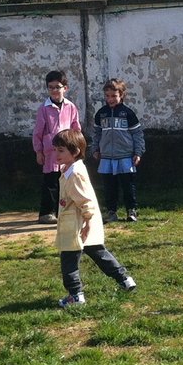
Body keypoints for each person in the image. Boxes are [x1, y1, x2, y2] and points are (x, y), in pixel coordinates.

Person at [52, 128, 137, 307]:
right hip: (79, 223)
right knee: (99, 253)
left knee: (69, 262)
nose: (56, 154)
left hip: (77, 225)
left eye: (61, 150)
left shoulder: (74, 173)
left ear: (75, 152)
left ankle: (75, 295)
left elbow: (86, 200)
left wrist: (88, 223)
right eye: (55, 150)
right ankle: (125, 280)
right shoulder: (69, 169)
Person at [92, 77, 146, 223]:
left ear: (121, 95)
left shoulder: (128, 114)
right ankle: (111, 212)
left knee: (128, 186)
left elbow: (137, 134)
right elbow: (97, 133)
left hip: (125, 157)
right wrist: (95, 148)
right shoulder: (101, 114)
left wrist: (138, 152)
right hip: (107, 157)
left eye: (114, 96)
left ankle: (131, 211)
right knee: (109, 187)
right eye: (107, 96)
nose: (110, 99)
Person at [32, 69, 79, 223]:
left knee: (65, 183)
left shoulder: (71, 107)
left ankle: (63, 211)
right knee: (50, 182)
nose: (54, 90)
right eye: (50, 87)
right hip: (50, 154)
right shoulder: (43, 109)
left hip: (67, 153)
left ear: (65, 88)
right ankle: (46, 213)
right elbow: (38, 132)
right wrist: (39, 151)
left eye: (57, 87)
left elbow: (75, 128)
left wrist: (76, 147)